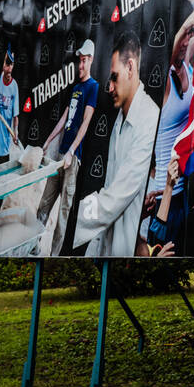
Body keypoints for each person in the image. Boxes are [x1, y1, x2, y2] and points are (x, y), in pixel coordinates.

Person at [72, 30, 161, 257]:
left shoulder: (150, 116)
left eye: (114, 77)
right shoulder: (120, 117)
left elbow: (115, 197)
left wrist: (75, 218)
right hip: (108, 247)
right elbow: (110, 189)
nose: (109, 87)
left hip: (126, 251)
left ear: (130, 67)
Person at [140, 4, 194, 251]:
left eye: (189, 36)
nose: (187, 41)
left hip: (185, 190)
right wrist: (186, 25)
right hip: (166, 194)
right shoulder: (162, 79)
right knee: (163, 254)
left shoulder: (186, 68)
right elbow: (171, 50)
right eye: (183, 36)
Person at [38, 38, 98, 254]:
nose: (80, 65)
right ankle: (33, 249)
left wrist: (72, 151)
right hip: (60, 155)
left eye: (83, 61)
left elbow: (86, 122)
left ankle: (53, 255)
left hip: (73, 160)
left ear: (90, 60)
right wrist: (48, 140)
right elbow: (64, 119)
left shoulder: (93, 87)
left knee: (63, 211)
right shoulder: (76, 88)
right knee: (44, 204)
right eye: (79, 61)